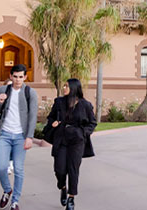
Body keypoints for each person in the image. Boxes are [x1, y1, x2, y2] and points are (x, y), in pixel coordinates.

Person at [47, 78, 97, 210]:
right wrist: (53, 123)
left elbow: (92, 122)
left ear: (74, 88)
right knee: (59, 169)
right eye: (64, 86)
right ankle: (63, 187)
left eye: (66, 86)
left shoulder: (85, 105)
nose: (64, 88)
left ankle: (71, 197)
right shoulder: (59, 102)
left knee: (73, 169)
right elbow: (51, 117)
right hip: (61, 139)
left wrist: (83, 133)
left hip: (77, 141)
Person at [0, 65, 38, 210]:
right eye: (15, 76)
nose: (18, 80)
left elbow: (32, 116)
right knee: (1, 167)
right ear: (11, 76)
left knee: (18, 169)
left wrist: (29, 137)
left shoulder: (30, 92)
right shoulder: (3, 90)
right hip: (5, 134)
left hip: (20, 136)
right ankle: (7, 190)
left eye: (21, 77)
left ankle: (15, 200)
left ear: (25, 77)